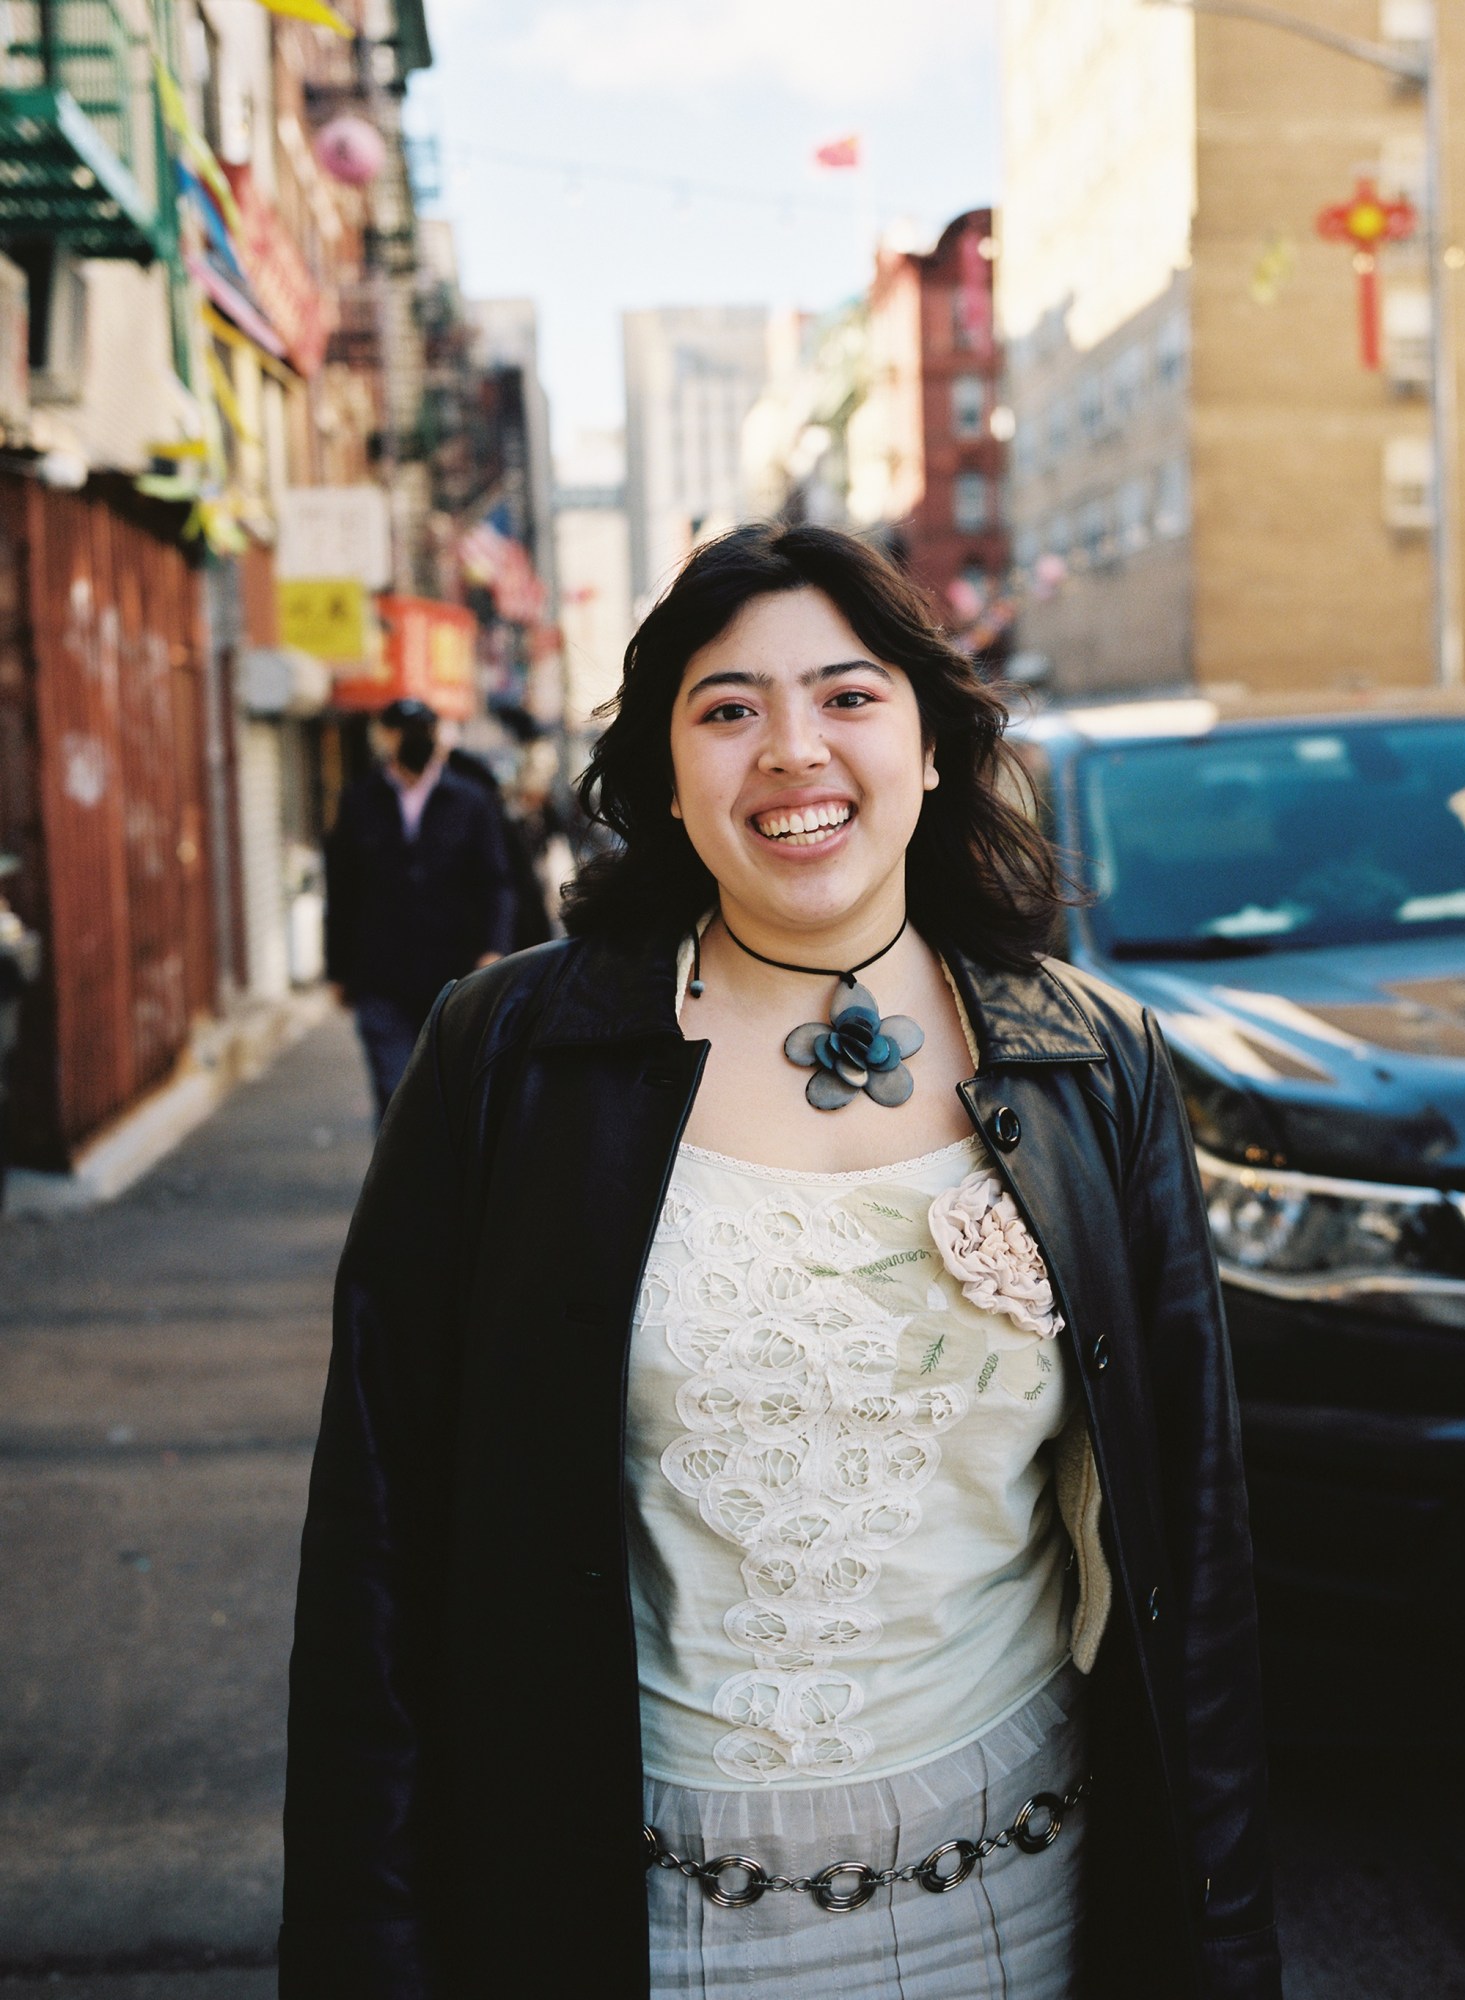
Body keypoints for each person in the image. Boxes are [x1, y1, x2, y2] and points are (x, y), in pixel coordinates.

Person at [281, 525, 1281, 1999]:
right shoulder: (504, 1059)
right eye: (729, 708)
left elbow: (1194, 1555)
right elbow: (374, 1553)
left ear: (931, 745)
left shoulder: (1092, 1062)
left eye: (848, 696)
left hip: (1035, 1897)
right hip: (633, 1916)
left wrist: (1227, 1947)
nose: (793, 752)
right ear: (667, 777)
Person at [322, 697, 514, 1120]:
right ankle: (396, 1185)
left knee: (450, 1092)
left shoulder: (470, 801)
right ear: (384, 737)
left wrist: (493, 950)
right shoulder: (359, 802)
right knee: (395, 1092)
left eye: (422, 731)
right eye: (402, 732)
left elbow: (496, 882)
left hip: (454, 975)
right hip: (381, 975)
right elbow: (342, 888)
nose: (412, 741)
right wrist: (337, 968)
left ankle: (444, 1184)